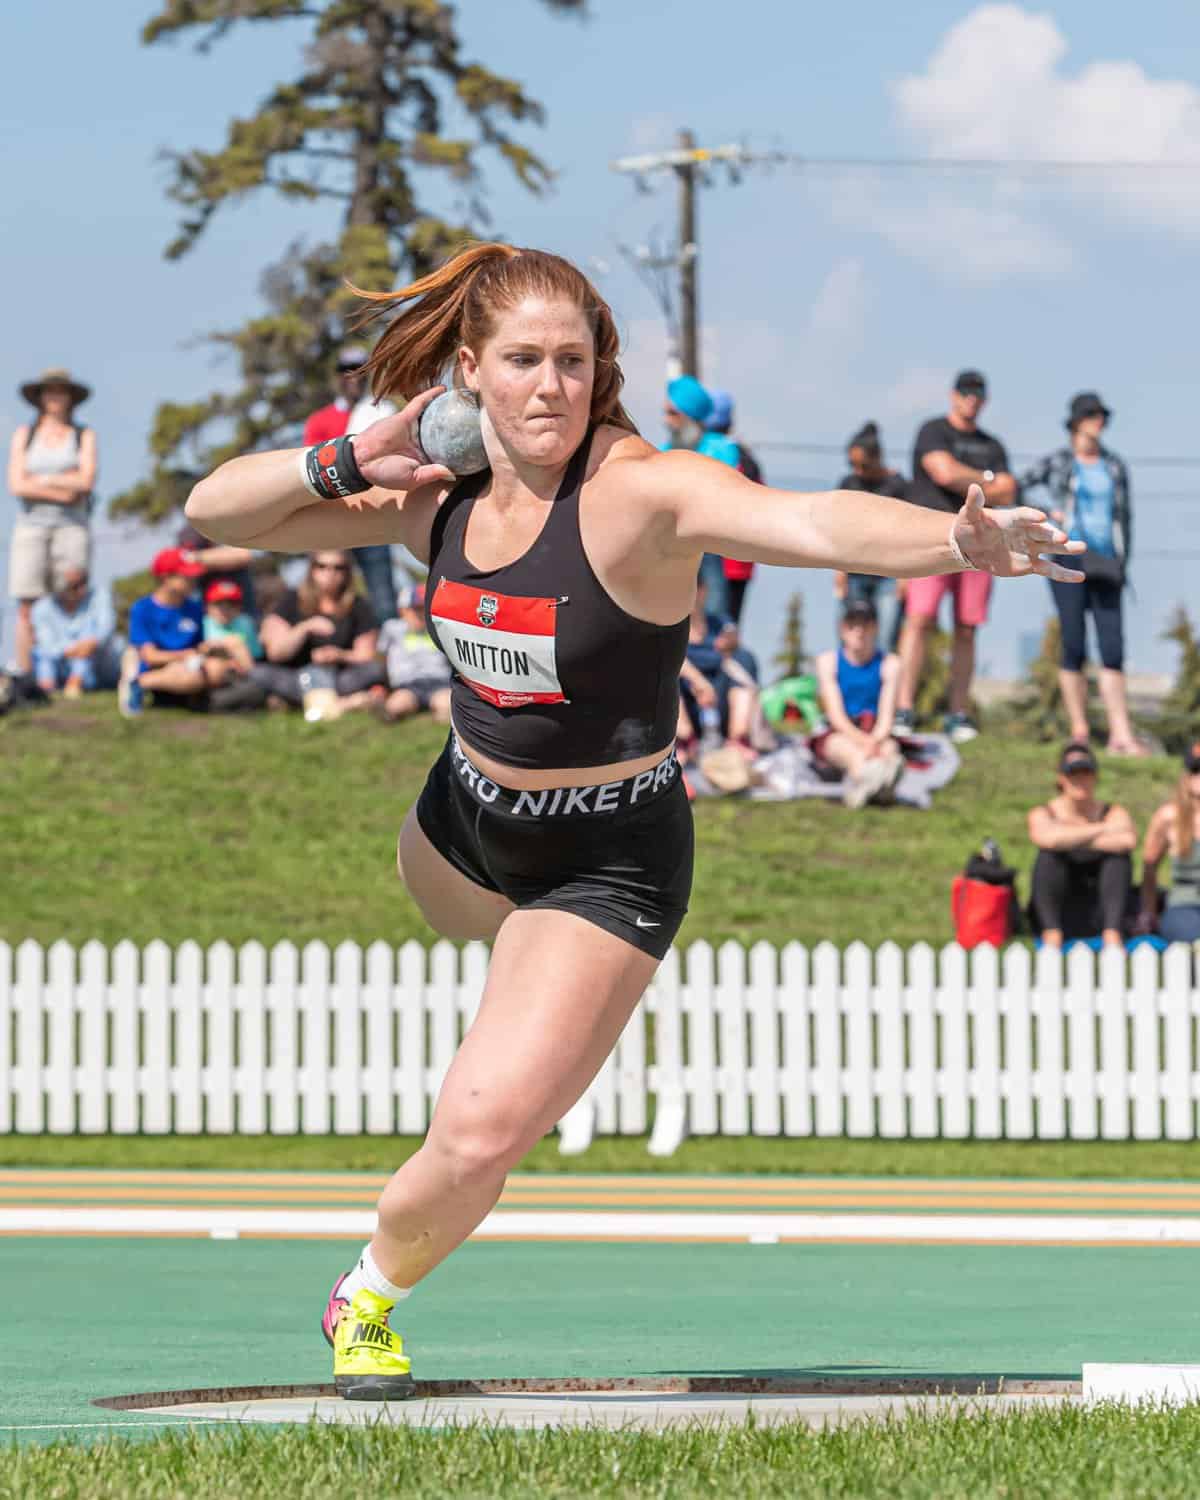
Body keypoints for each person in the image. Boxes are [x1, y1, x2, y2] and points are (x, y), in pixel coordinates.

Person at [183, 241, 1082, 1400]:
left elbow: (811, 522)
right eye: (522, 361)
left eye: (573, 361)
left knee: (480, 1132)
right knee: (485, 995)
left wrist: (953, 541)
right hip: (460, 826)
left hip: (602, 862)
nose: (550, 387)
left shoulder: (644, 496)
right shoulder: (433, 501)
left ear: (599, 369)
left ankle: (366, 1293)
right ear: (470, 372)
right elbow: (222, 514)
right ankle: (514, 985)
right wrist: (354, 454)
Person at [895, 371, 1018, 743]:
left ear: (985, 400)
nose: (971, 399)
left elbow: (1009, 490)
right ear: (953, 395)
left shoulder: (993, 445)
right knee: (919, 620)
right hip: (933, 535)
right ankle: (903, 708)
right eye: (966, 393)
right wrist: (986, 480)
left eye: (978, 394)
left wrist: (972, 479)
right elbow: (943, 472)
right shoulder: (932, 431)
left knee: (967, 627)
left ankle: (958, 713)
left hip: (979, 543)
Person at [1020, 392, 1141, 755]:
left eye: (1102, 415)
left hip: (1107, 561)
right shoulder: (1059, 461)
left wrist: (1124, 561)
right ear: (1075, 422)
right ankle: (1080, 731)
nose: (1098, 421)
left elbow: (1126, 517)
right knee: (1074, 642)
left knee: (1113, 647)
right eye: (1091, 415)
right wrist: (1047, 511)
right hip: (1068, 555)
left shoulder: (1115, 466)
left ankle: (1121, 734)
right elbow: (1019, 485)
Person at [7, 367, 97, 676]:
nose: (56, 397)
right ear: (40, 397)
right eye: (50, 391)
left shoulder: (83, 435)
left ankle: (69, 674)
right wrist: (63, 485)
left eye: (61, 391)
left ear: (71, 397)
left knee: (71, 596)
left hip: (72, 526)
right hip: (30, 526)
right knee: (27, 603)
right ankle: (26, 674)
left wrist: (39, 480)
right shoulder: (25, 434)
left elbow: (86, 482)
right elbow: (16, 485)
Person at [303, 347, 399, 625]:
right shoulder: (320, 421)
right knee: (327, 592)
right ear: (338, 377)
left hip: (374, 514)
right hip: (335, 517)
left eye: (359, 371)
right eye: (347, 372)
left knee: (382, 594)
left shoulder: (382, 412)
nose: (353, 377)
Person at [1027, 742, 1136, 950]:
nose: (1080, 780)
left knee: (1118, 858)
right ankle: (1052, 933)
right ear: (1061, 778)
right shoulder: (1043, 812)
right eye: (1073, 774)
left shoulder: (1114, 811)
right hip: (1061, 907)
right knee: (1049, 857)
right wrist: (1102, 829)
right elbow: (1048, 840)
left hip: (1100, 908)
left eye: (1086, 773)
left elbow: (1127, 841)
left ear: (1095, 777)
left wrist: (1068, 838)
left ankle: (1112, 934)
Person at [118, 548, 244, 717]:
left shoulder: (195, 608)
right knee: (194, 675)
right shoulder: (143, 608)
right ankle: (139, 683)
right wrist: (185, 656)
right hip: (160, 669)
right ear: (165, 578)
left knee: (217, 668)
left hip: (190, 665)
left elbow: (200, 646)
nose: (193, 580)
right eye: (186, 576)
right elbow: (150, 656)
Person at [252, 551, 384, 710]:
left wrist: (339, 655)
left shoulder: (358, 605)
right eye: (322, 566)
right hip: (296, 675)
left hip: (339, 677)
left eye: (338, 567)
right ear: (312, 569)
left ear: (347, 572)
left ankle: (304, 702)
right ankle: (344, 702)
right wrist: (305, 628)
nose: (330, 573)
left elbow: (366, 655)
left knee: (374, 670)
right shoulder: (291, 599)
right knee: (258, 672)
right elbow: (276, 653)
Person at [812, 598, 905, 809]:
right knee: (850, 752)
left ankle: (868, 788)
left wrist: (874, 740)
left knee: (890, 750)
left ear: (875, 628)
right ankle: (878, 785)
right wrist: (865, 742)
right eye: (852, 625)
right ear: (842, 629)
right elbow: (836, 717)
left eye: (865, 625)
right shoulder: (828, 662)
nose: (859, 631)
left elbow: (886, 717)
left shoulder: (890, 664)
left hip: (875, 731)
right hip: (840, 733)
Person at [661, 375, 740, 619]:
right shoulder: (663, 452)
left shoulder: (722, 449)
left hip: (711, 544)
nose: (666, 421)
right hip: (672, 545)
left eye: (672, 413)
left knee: (714, 610)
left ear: (690, 415)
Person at [833, 422, 908, 653]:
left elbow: (907, 534)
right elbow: (839, 530)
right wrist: (839, 571)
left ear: (878, 458)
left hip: (888, 575)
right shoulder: (848, 484)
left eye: (863, 465)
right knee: (849, 639)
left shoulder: (897, 485)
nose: (858, 471)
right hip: (854, 573)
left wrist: (905, 578)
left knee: (885, 639)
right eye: (852, 464)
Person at [677, 583, 761, 763]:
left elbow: (732, 634)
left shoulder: (720, 624)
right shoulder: (671, 628)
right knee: (667, 668)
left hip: (721, 701)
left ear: (704, 591)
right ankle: (683, 742)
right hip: (686, 703)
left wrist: (731, 643)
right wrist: (699, 682)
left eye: (694, 587)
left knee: (744, 658)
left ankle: (739, 738)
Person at [704, 389, 761, 625]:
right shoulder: (747, 459)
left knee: (704, 627)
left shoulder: (700, 453)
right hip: (741, 559)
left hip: (706, 555)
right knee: (729, 628)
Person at [1138, 743, 1200, 944]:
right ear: (1186, 777)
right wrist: (1149, 911)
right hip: (1185, 905)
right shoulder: (1168, 817)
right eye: (1196, 770)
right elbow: (1149, 867)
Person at [371, 583, 452, 724]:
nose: (422, 615)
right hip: (408, 683)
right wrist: (383, 684)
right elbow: (381, 657)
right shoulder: (393, 629)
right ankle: (389, 711)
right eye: (417, 609)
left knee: (446, 703)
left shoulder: (438, 629)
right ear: (403, 611)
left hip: (439, 682)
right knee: (399, 704)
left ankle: (441, 718)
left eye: (425, 609)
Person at [30, 566, 116, 698]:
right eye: (74, 586)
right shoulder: (41, 608)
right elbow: (47, 645)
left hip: (95, 666)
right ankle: (45, 688)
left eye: (84, 582)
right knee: (40, 652)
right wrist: (76, 649)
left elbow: (106, 629)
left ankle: (75, 682)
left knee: (92, 635)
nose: (82, 589)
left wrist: (90, 645)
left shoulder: (99, 595)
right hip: (60, 663)